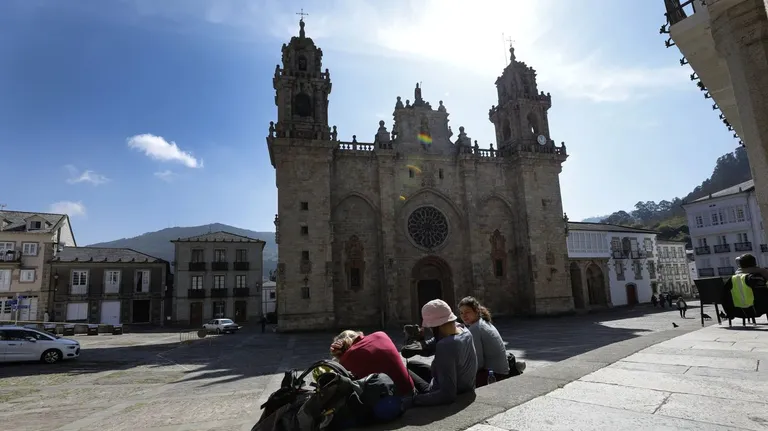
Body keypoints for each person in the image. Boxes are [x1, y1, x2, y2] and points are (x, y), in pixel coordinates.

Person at [400, 299, 477, 409]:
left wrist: (414, 400)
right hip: (465, 386)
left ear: (435, 326)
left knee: (404, 371)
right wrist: (419, 344)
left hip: (446, 391)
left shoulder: (445, 345)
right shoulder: (463, 330)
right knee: (413, 364)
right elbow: (434, 344)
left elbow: (447, 395)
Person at [458, 296, 525, 387]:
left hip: (494, 374)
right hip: (503, 370)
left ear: (476, 311)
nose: (464, 315)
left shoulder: (475, 329)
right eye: (461, 313)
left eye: (467, 312)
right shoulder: (483, 322)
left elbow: (478, 363)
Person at [328, 330, 415, 396]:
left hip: (392, 399)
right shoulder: (380, 334)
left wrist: (339, 358)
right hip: (409, 389)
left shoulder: (347, 357)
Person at [721, 253, 768, 321]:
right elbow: (763, 295)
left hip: (738, 311)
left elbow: (723, 296)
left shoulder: (732, 279)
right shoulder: (755, 277)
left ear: (740, 265)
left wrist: (729, 312)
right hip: (757, 310)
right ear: (754, 263)